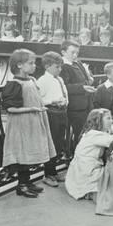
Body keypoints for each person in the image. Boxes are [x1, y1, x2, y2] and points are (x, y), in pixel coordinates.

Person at [2, 49, 56, 198]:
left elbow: (35, 97)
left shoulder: (31, 80)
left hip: (33, 121)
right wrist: (31, 109)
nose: (34, 66)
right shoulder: (14, 83)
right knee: (22, 152)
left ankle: (28, 181)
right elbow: (10, 108)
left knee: (29, 151)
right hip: (21, 124)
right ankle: (22, 185)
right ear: (19, 65)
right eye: (30, 63)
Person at [64, 108, 113, 201]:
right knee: (111, 182)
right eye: (108, 118)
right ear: (98, 121)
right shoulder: (95, 135)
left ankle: (90, 191)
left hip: (81, 168)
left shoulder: (90, 133)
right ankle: (91, 192)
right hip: (87, 169)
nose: (112, 121)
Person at [37, 52, 69, 187]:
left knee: (59, 143)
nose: (60, 69)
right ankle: (48, 173)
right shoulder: (42, 81)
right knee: (52, 143)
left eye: (60, 66)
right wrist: (52, 101)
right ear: (48, 66)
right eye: (57, 67)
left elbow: (64, 94)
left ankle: (54, 171)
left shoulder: (59, 79)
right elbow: (38, 100)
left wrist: (65, 102)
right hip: (51, 114)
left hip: (62, 113)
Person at [60, 40, 96, 152]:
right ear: (63, 52)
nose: (75, 55)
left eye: (77, 52)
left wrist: (89, 81)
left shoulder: (77, 63)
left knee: (86, 133)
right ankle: (77, 156)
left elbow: (85, 80)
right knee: (79, 134)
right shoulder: (63, 67)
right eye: (72, 52)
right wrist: (82, 87)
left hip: (86, 104)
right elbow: (65, 86)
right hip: (75, 107)